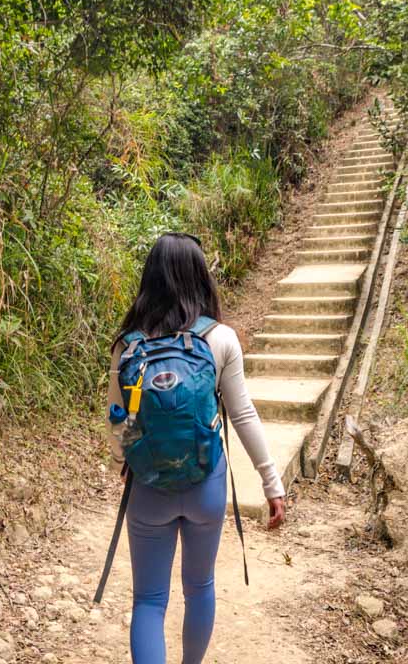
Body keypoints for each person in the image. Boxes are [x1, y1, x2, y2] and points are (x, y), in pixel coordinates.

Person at [106, 231, 287, 664]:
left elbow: (118, 420)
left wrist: (126, 460)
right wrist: (271, 482)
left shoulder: (128, 344)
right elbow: (243, 415)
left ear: (150, 279)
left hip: (148, 487)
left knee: (149, 600)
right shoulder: (221, 339)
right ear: (200, 277)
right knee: (200, 587)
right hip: (206, 485)